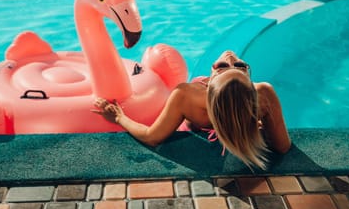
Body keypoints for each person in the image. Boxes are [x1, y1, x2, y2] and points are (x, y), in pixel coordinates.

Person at [93, 50, 291, 169]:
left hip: (192, 130)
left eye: (223, 66)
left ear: (210, 82)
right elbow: (282, 147)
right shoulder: (263, 94)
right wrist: (253, 128)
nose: (230, 56)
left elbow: (151, 136)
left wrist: (119, 117)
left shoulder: (186, 95)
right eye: (239, 65)